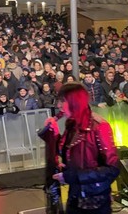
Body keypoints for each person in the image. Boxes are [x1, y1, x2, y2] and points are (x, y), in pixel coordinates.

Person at [46, 82, 119, 214]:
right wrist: (53, 133)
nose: (59, 106)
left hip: (95, 202)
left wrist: (73, 176)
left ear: (74, 102)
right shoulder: (72, 124)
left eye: (62, 101)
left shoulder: (99, 126)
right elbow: (66, 152)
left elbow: (112, 169)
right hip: (75, 196)